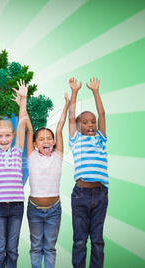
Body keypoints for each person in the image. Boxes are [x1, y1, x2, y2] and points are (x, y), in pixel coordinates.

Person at [0, 79, 29, 268]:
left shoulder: (17, 151)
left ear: (12, 137)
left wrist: (23, 99)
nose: (4, 139)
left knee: (13, 249)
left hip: (17, 206)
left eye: (7, 136)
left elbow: (22, 125)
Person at [25, 92, 69, 268]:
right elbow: (28, 128)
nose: (46, 141)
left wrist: (66, 106)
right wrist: (22, 100)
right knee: (36, 247)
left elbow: (59, 128)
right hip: (34, 210)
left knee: (49, 248)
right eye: (41, 139)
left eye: (49, 138)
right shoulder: (31, 156)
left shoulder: (57, 156)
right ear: (35, 144)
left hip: (54, 210)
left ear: (54, 142)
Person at [68, 77, 108, 268]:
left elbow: (102, 113)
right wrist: (74, 92)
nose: (91, 124)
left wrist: (95, 92)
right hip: (81, 195)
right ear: (78, 126)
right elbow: (71, 116)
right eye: (85, 122)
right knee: (80, 240)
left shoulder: (100, 138)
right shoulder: (76, 139)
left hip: (100, 194)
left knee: (98, 240)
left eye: (92, 122)